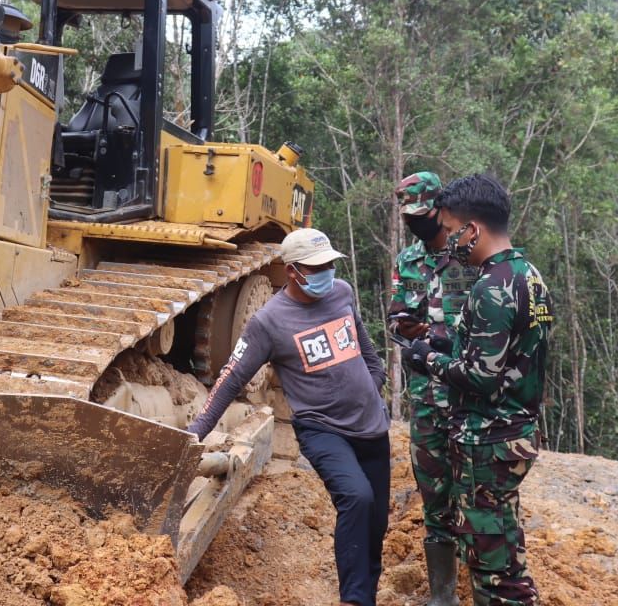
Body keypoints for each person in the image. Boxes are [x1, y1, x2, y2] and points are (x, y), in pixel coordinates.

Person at [188, 228, 390, 606]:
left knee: (376, 525)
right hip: (322, 428)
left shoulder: (342, 293)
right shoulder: (269, 322)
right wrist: (197, 430)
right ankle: (354, 600)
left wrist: (370, 390)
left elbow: (369, 355)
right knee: (357, 498)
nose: (326, 272)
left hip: (371, 425)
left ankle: (368, 597)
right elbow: (231, 378)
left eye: (329, 264)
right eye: (317, 267)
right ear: (292, 271)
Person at [403, 174, 553, 606]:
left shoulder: (491, 288)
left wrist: (428, 360)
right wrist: (449, 345)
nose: (447, 241)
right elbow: (509, 354)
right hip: (514, 433)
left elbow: (483, 377)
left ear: (473, 230)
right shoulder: (527, 275)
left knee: (493, 574)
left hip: (489, 440)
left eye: (451, 232)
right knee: (505, 554)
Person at [388, 172, 477, 606]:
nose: (414, 223)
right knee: (434, 498)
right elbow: (397, 322)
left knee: (479, 501)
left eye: (420, 215)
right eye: (408, 216)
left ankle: (489, 590)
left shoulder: (472, 257)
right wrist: (422, 334)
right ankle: (444, 597)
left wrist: (432, 334)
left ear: (439, 209)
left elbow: (485, 331)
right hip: (426, 401)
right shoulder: (407, 260)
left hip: (471, 400)